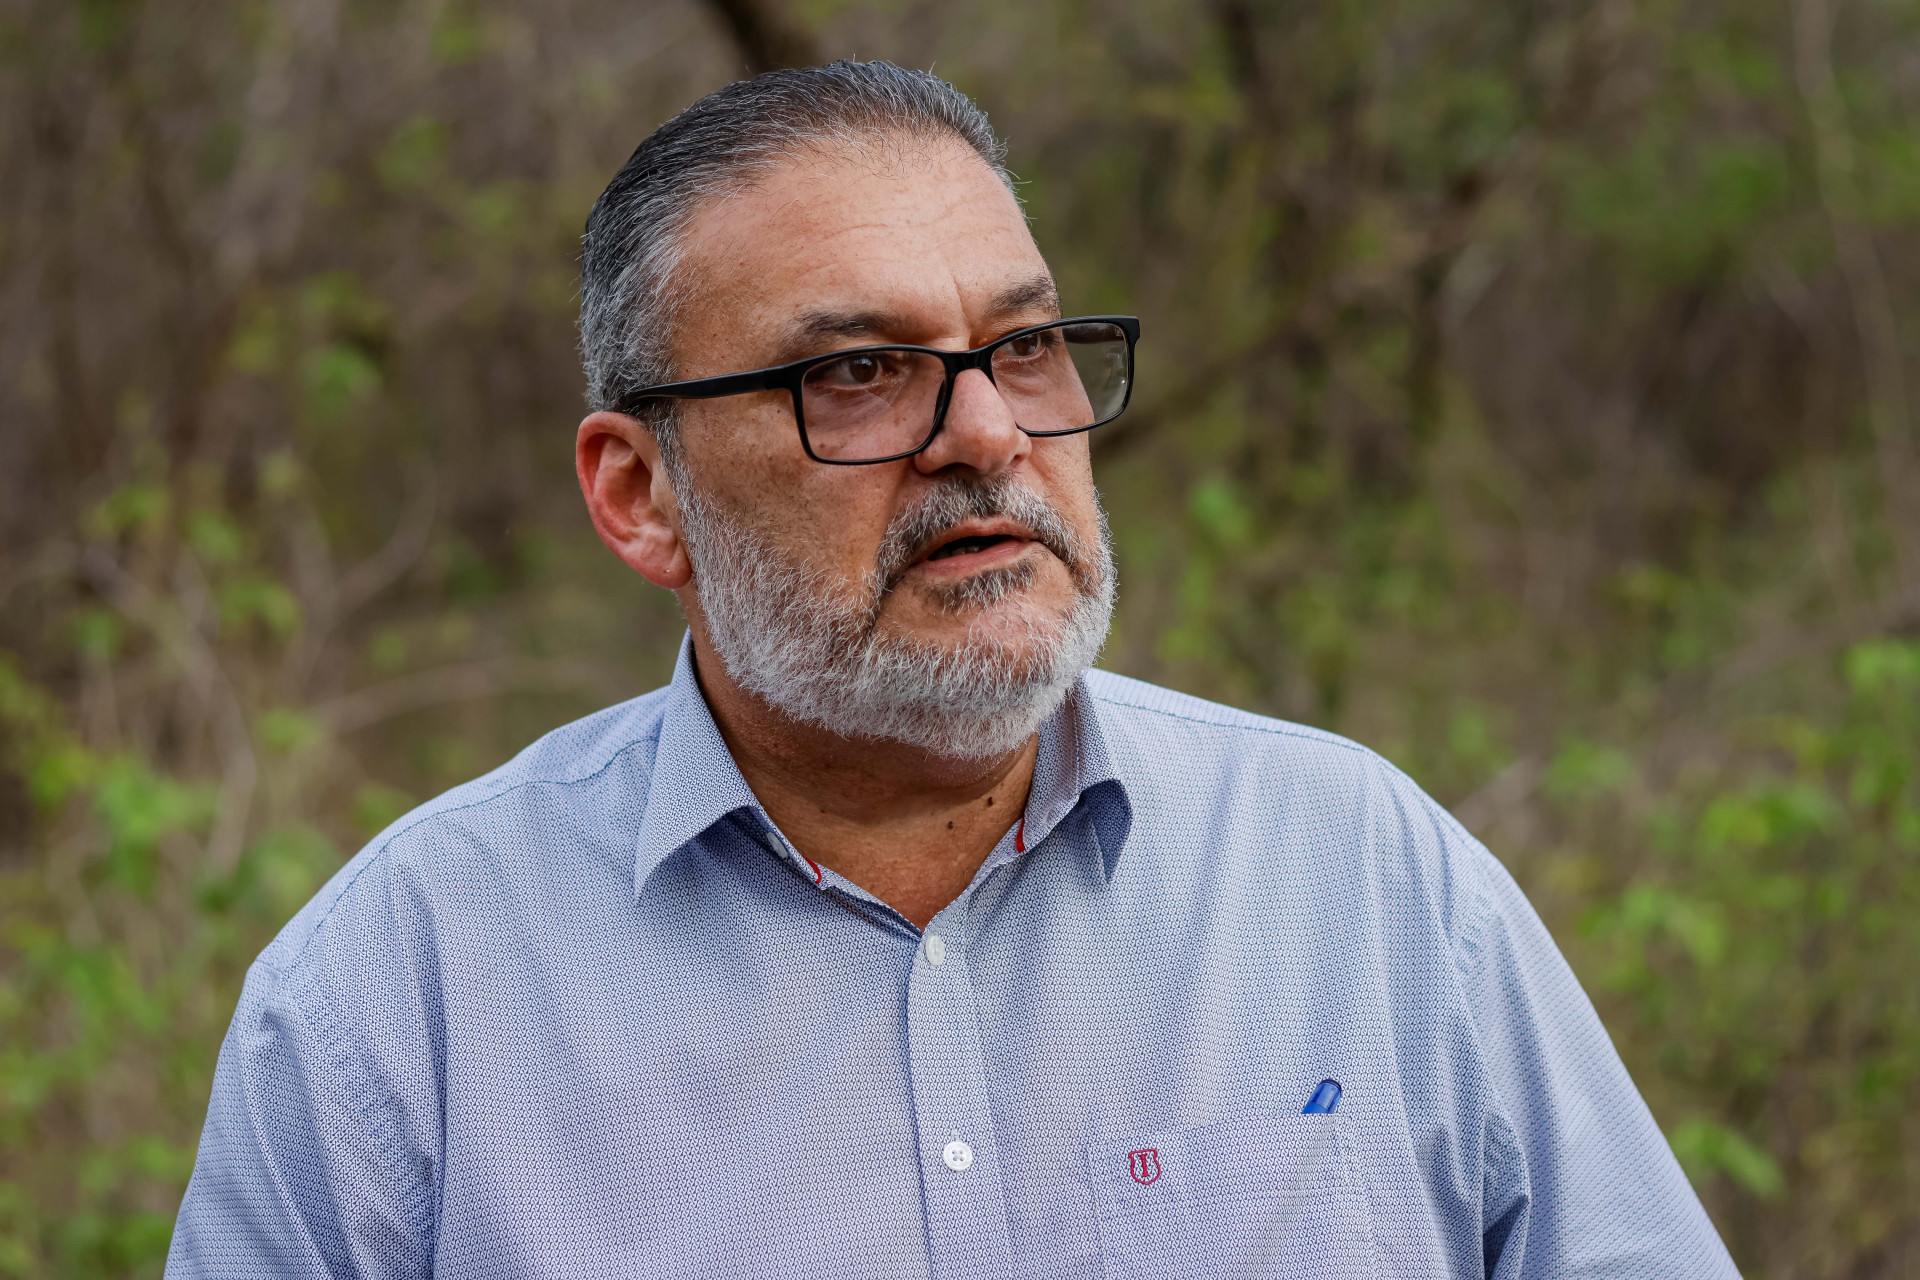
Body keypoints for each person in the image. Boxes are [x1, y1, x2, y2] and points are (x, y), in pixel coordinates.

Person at [167, 61, 1740, 1279]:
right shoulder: (397, 1004)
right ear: (642, 496)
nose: (988, 435)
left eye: (1027, 349)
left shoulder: (1362, 880)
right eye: (859, 374)